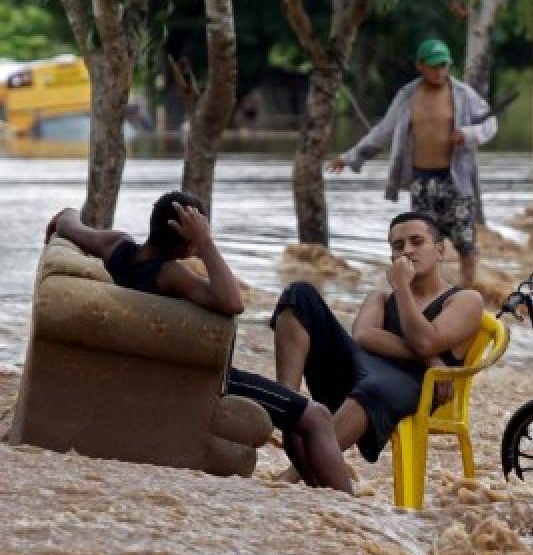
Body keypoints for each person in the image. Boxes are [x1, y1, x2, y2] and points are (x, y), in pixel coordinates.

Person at [45, 192, 353, 494]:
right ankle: (349, 506)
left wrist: (61, 217)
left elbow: (70, 223)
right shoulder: (168, 275)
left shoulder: (116, 246)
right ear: (184, 235)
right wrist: (205, 243)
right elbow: (232, 302)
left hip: (153, 375)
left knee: (294, 410)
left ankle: (318, 496)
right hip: (199, 380)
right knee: (316, 415)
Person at [271, 211, 482, 473]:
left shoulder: (464, 300)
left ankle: (298, 473)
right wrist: (428, 358)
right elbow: (363, 335)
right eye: (398, 246)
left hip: (415, 387)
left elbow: (426, 340)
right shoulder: (380, 298)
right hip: (358, 373)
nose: (407, 251)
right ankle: (286, 407)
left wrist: (403, 288)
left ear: (440, 251)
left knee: (375, 387)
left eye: (417, 242)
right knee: (299, 295)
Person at [328, 38, 496, 287]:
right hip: (421, 182)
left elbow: (490, 123)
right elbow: (383, 131)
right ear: (420, 66)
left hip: (456, 182)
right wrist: (350, 157)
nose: (440, 71)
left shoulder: (463, 94)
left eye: (444, 66)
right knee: (421, 244)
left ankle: (468, 296)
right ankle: (427, 297)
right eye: (434, 66)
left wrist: (469, 135)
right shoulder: (407, 96)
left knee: (466, 245)